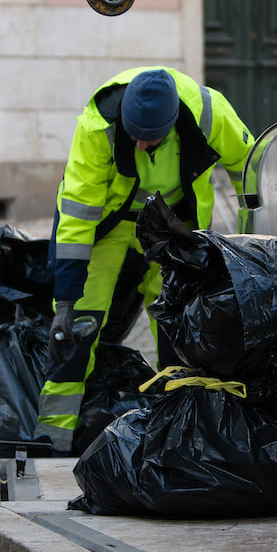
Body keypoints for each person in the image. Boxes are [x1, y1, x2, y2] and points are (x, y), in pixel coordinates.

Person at [38, 66, 256, 453]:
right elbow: (76, 214)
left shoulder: (210, 113)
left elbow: (252, 170)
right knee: (78, 325)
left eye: (150, 140)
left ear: (171, 126)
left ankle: (180, 434)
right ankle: (52, 436)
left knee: (178, 325)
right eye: (134, 135)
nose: (139, 147)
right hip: (110, 224)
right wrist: (66, 300)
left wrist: (248, 243)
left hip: (173, 225)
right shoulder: (98, 125)